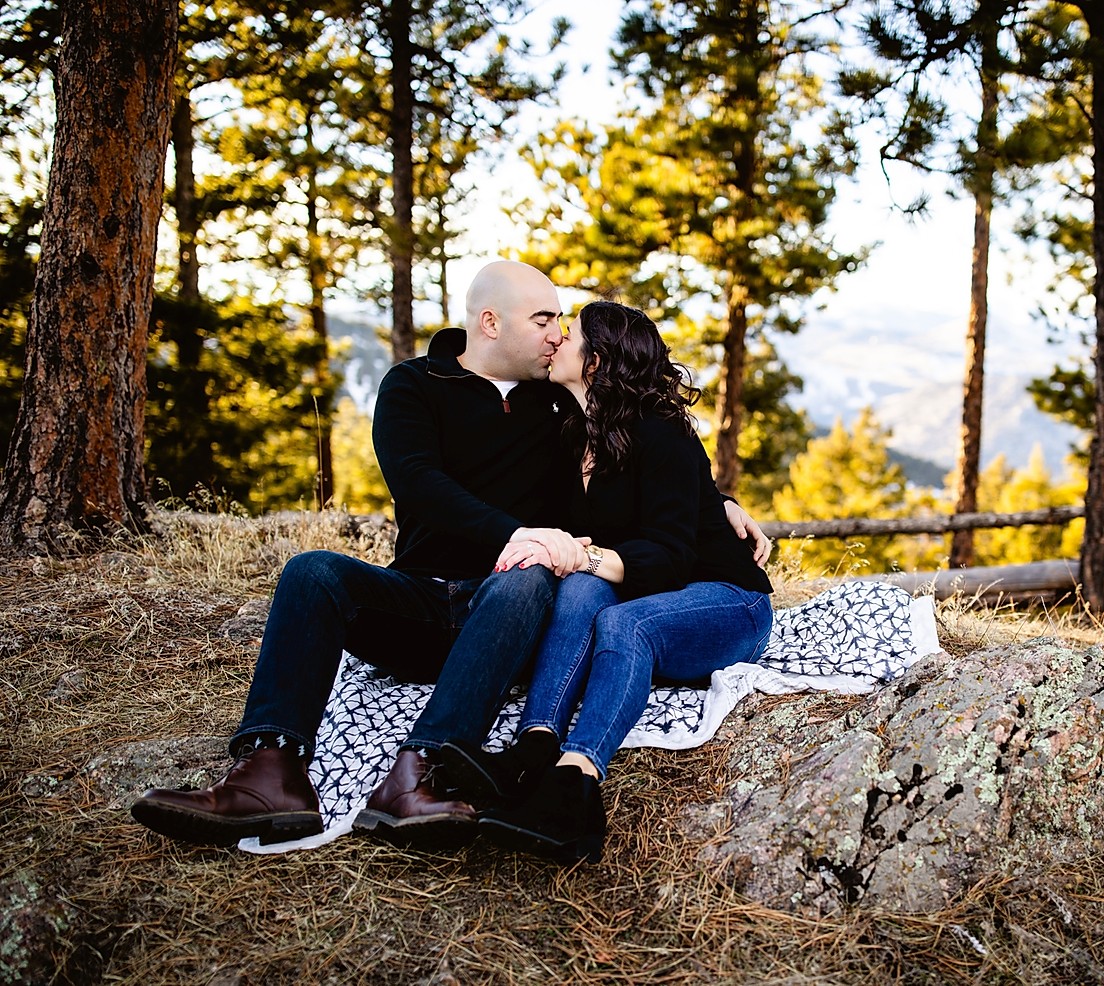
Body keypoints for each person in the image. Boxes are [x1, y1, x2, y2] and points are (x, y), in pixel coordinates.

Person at [130, 262, 769, 850]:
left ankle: (421, 771)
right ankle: (270, 773)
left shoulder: (557, 405)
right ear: (491, 323)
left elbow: (643, 455)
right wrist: (512, 535)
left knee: (525, 580)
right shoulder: (413, 385)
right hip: (423, 601)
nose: (555, 334)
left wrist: (719, 503)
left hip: (511, 609)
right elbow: (418, 484)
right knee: (312, 572)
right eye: (544, 320)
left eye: (560, 324)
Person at [438, 301, 774, 865]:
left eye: (568, 336)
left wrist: (581, 552)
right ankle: (535, 747)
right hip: (660, 592)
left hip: (726, 599)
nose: (555, 341)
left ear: (596, 362)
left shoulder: (662, 433)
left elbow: (668, 556)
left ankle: (576, 786)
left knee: (621, 617)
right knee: (579, 588)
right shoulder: (573, 429)